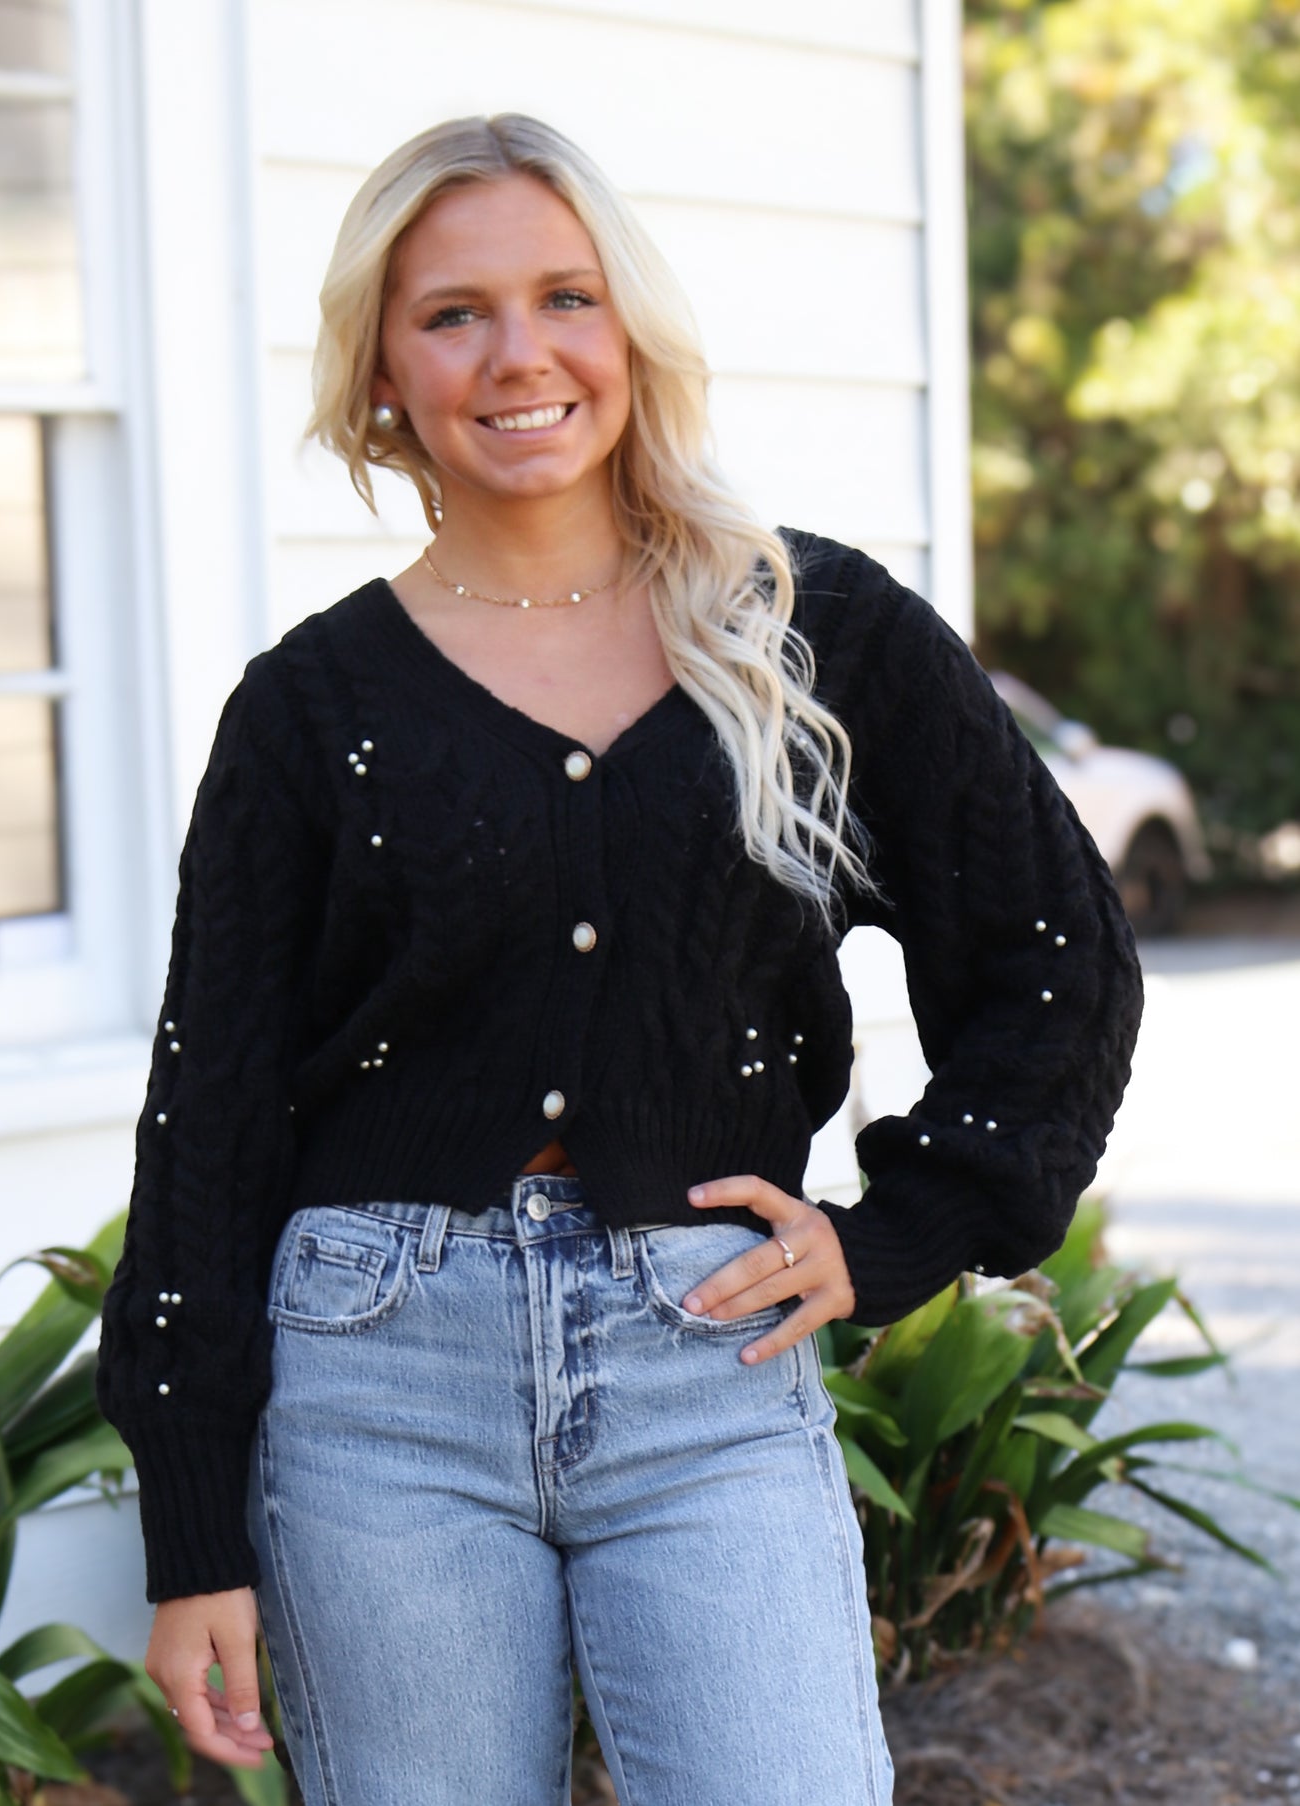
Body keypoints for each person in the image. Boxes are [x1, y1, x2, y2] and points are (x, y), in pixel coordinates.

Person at [94, 112, 1144, 1806]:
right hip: (377, 1384)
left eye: (564, 295)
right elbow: (206, 1118)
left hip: (704, 1359)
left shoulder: (819, 638)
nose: (519, 355)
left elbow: (1057, 963)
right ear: (380, 371)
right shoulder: (310, 710)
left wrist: (901, 1233)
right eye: (452, 313)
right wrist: (193, 1529)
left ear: (629, 331)